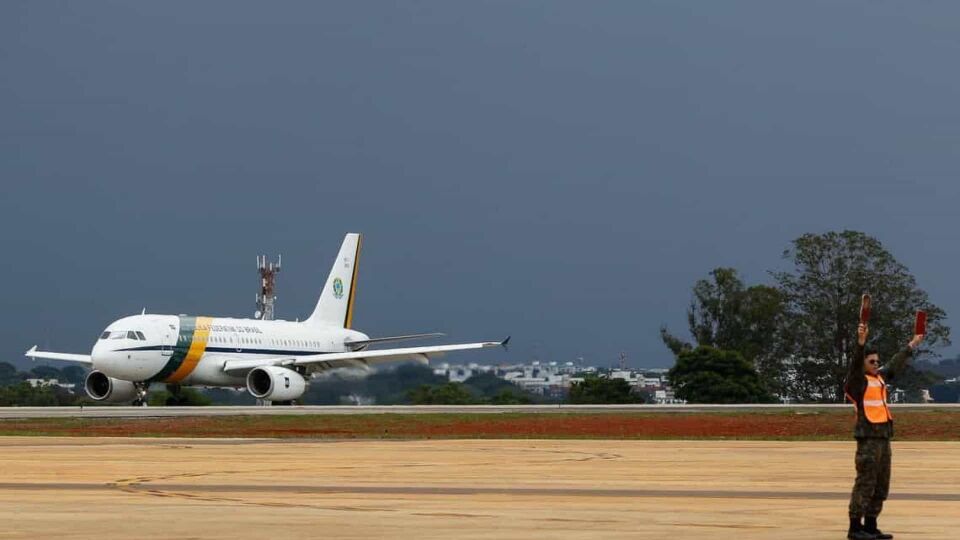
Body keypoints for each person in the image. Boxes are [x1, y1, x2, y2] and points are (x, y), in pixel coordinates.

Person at [844, 322, 923, 540]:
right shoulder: (857, 382)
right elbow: (854, 365)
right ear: (863, 363)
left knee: (881, 484)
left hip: (883, 439)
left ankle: (870, 525)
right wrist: (860, 343)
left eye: (877, 361)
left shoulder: (879, 378)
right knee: (865, 483)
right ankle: (855, 527)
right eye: (872, 361)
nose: (876, 364)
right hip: (868, 439)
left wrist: (912, 345)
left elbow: (895, 364)